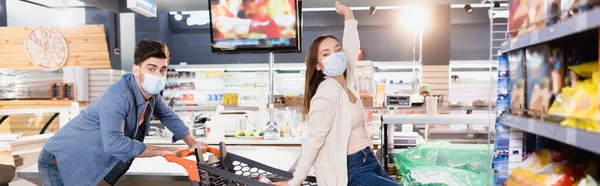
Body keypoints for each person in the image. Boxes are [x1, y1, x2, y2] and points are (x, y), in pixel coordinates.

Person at [38, 39, 208, 186]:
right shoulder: (118, 97)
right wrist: (160, 150)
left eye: (162, 69)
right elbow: (114, 143)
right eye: (151, 68)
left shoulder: (152, 95)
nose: (158, 75)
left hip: (91, 161)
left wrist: (191, 142)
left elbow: (167, 115)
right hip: (59, 160)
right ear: (136, 70)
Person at [274, 2, 400, 186]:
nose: (335, 55)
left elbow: (351, 44)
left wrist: (349, 15)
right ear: (318, 66)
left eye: (337, 49)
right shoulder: (325, 94)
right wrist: (295, 181)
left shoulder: (346, 85)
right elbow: (313, 142)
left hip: (369, 159)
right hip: (351, 169)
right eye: (326, 54)